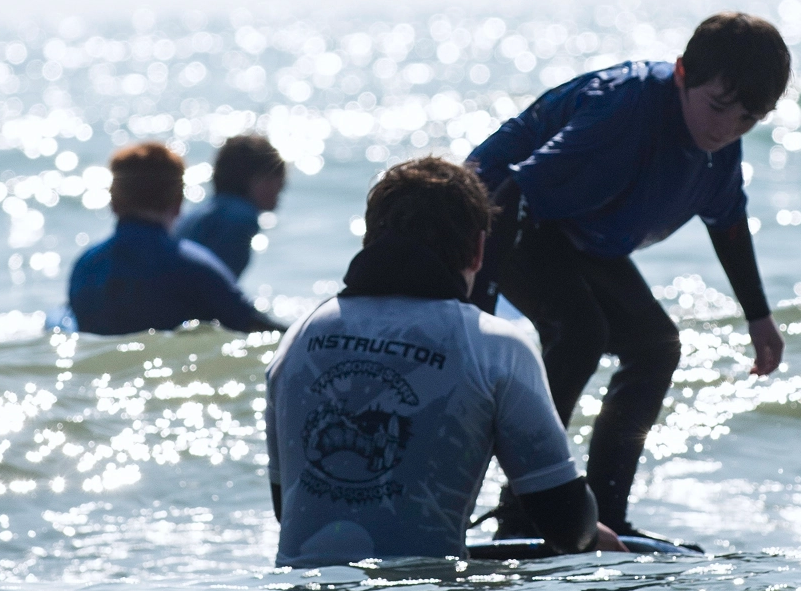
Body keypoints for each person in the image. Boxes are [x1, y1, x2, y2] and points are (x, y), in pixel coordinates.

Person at [464, 12, 790, 539]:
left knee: (656, 344)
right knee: (580, 332)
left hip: (577, 231)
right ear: (682, 73)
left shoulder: (722, 142)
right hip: (500, 217)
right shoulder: (625, 106)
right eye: (718, 107)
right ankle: (523, 512)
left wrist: (759, 317)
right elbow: (513, 194)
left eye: (748, 119)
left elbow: (727, 223)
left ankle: (608, 516)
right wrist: (471, 312)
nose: (726, 128)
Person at [264, 157, 620, 567]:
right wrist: (592, 532)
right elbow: (565, 526)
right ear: (479, 248)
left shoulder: (299, 338)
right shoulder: (495, 346)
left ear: (369, 238)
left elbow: (288, 507)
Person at [67, 142, 282, 335]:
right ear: (178, 202)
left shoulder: (85, 266)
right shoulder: (196, 267)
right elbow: (251, 324)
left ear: (113, 202)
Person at [176, 134, 285, 290]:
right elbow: (217, 290)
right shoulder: (240, 218)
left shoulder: (203, 211)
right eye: (277, 176)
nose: (282, 186)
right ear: (258, 180)